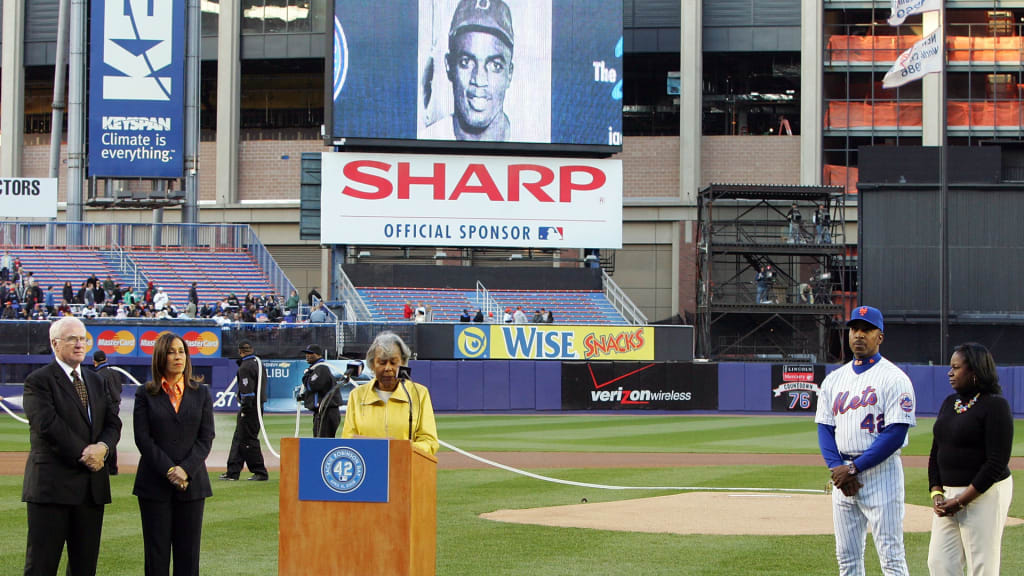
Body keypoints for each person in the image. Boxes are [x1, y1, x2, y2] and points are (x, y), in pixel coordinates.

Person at [815, 306, 916, 576]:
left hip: (880, 473)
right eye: (854, 329)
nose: (859, 335)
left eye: (866, 329)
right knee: (847, 559)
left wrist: (853, 468)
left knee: (891, 558)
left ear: (879, 336)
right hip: (842, 474)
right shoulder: (834, 379)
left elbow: (896, 434)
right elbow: (824, 427)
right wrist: (838, 468)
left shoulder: (895, 379)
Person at [22, 316, 122, 575]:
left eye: (83, 339)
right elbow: (47, 425)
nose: (79, 344)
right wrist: (85, 452)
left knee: (84, 567)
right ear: (55, 343)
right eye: (72, 339)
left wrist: (103, 447)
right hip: (52, 489)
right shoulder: (38, 381)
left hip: (90, 490)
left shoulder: (96, 380)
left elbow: (113, 423)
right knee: (42, 566)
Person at [927, 342, 1013, 576]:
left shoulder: (995, 405)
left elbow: (996, 462)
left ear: (974, 372)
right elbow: (937, 451)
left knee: (982, 565)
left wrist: (963, 500)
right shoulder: (949, 403)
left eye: (956, 367)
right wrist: (936, 491)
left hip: (984, 494)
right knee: (940, 563)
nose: (950, 372)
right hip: (948, 497)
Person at [133, 333, 215, 576]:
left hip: (193, 485)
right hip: (154, 485)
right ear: (160, 356)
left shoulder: (201, 393)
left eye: (181, 351)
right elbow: (143, 440)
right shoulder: (145, 394)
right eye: (171, 351)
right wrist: (170, 470)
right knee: (156, 556)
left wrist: (185, 469)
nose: (177, 356)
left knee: (188, 557)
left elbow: (205, 437)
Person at [423, 0, 515, 142]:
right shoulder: (425, 141)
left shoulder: (536, 143)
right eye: (466, 62)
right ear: (449, 66)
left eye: (495, 66)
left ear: (509, 74)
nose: (479, 80)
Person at [342, 332, 439, 456]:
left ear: (403, 363)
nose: (388, 368)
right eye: (382, 363)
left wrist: (400, 449)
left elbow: (430, 442)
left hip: (405, 467)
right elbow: (348, 440)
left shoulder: (419, 393)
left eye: (393, 362)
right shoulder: (357, 395)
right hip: (369, 469)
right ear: (372, 365)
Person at [221, 341, 269, 481]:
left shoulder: (245, 367)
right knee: (239, 438)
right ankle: (232, 471)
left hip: (250, 408)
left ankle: (259, 471)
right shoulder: (257, 363)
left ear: (240, 351)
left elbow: (247, 392)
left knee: (248, 439)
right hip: (257, 406)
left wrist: (245, 408)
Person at [93, 350, 123, 475]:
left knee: (104, 436)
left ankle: (107, 466)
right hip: (116, 407)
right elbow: (120, 389)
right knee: (111, 434)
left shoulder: (98, 375)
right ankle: (113, 467)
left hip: (105, 408)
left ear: (95, 362)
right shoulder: (115, 373)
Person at [302, 344, 342, 438]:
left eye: (311, 353)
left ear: (319, 355)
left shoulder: (321, 368)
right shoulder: (316, 368)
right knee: (320, 441)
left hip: (327, 412)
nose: (307, 355)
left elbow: (312, 385)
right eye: (306, 353)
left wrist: (306, 375)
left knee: (322, 442)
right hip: (323, 411)